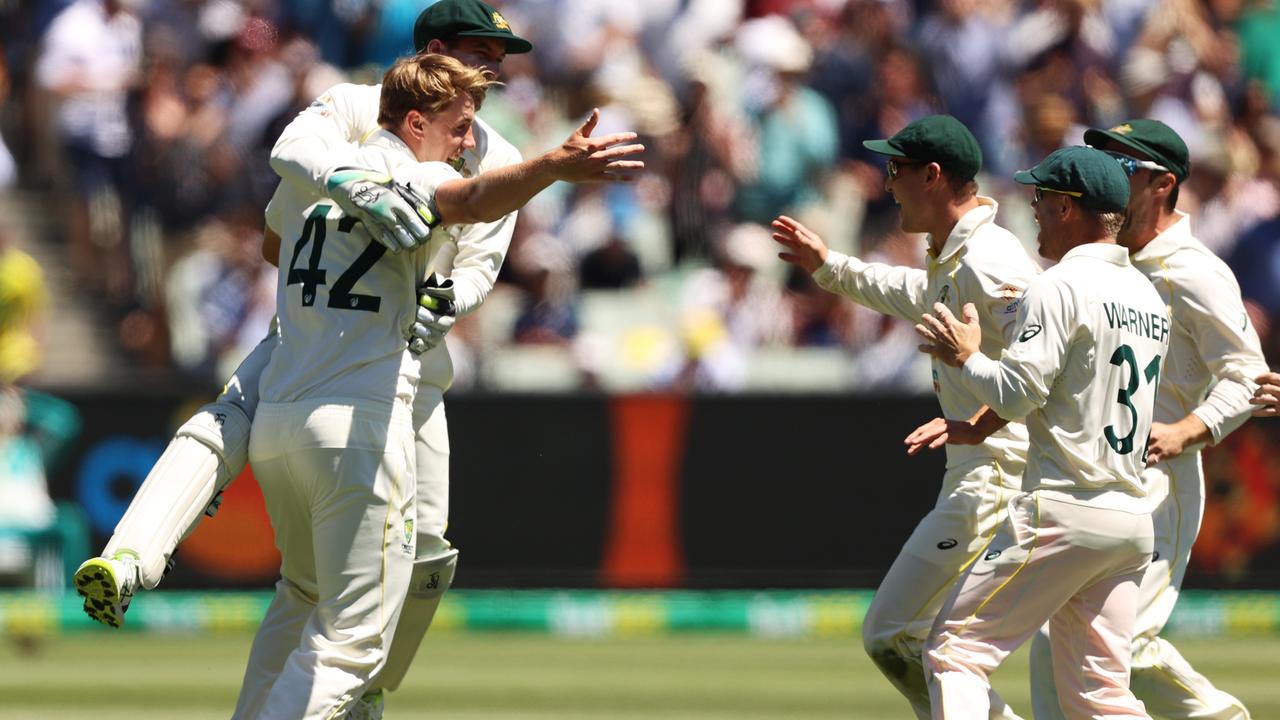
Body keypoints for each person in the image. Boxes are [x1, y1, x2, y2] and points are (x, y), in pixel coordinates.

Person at [75, 0, 640, 709]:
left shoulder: (481, 145)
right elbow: (310, 174)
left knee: (414, 559)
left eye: (503, 55)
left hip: (389, 363)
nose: (498, 65)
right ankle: (136, 561)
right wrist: (358, 189)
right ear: (436, 53)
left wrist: (445, 299)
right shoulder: (364, 111)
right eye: (482, 50)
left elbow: (472, 263)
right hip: (353, 379)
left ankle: (333, 687)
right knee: (338, 601)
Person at [231, 53, 640, 719]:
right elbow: (475, 200)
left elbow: (275, 238)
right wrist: (553, 167)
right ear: (416, 122)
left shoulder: (321, 184)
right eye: (460, 127)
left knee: (304, 601)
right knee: (354, 647)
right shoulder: (411, 172)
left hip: (279, 426)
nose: (469, 142)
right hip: (355, 430)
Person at [771, 114, 1038, 719]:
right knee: (920, 644)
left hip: (999, 476)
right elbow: (911, 294)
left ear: (933, 176)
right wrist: (827, 265)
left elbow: (1052, 362)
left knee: (900, 636)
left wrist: (981, 425)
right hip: (980, 472)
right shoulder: (956, 255)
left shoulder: (991, 261)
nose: (888, 183)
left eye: (897, 170)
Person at [917, 146, 1166, 719]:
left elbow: (1016, 393)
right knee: (1100, 697)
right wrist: (980, 425)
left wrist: (966, 356)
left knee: (953, 653)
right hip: (1130, 519)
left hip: (1062, 508)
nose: (1031, 207)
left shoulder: (1058, 286)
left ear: (1067, 207)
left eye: (1040, 197)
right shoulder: (1148, 297)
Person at [1027, 119, 1262, 720]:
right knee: (1059, 637)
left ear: (1162, 183)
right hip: (1093, 476)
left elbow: (1250, 376)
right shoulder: (1098, 262)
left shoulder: (1194, 270)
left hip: (1161, 477)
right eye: (1097, 158)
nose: (1104, 174)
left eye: (1121, 165)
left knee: (1121, 646)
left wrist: (1188, 430)